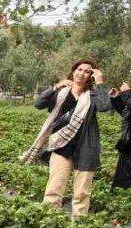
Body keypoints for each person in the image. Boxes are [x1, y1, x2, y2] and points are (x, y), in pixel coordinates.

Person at [22, 59, 112, 218]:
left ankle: (79, 224)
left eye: (87, 71)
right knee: (54, 187)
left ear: (91, 76)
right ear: (73, 71)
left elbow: (104, 106)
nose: (82, 73)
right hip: (61, 145)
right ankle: (50, 221)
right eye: (79, 69)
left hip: (85, 146)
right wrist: (56, 86)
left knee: (82, 192)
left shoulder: (92, 95)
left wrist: (100, 83)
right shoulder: (61, 93)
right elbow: (39, 104)